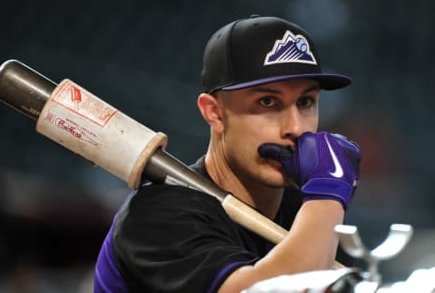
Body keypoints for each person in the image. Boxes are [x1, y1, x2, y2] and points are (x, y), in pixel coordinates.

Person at [93, 15, 361, 293]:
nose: (294, 127)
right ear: (214, 112)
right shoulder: (157, 215)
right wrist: (328, 193)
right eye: (267, 102)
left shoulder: (303, 212)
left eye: (306, 102)